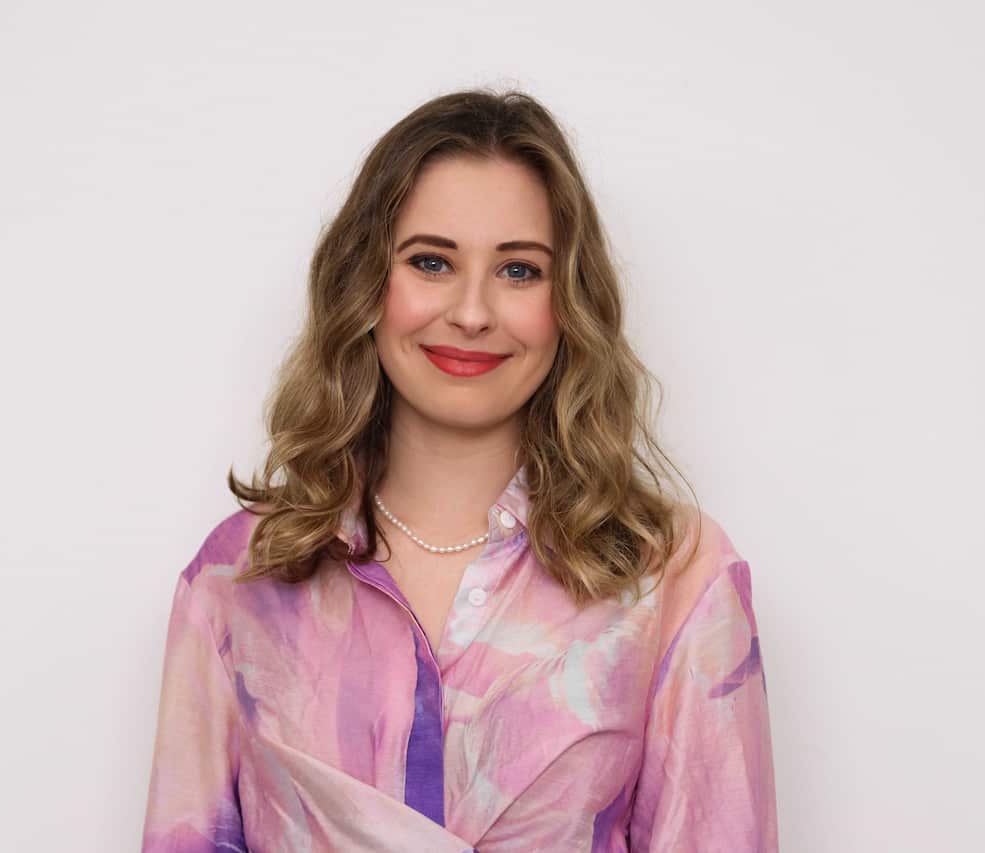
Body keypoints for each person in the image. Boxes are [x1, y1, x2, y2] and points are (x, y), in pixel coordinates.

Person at [140, 88, 779, 852]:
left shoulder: (674, 576)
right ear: (366, 283)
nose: (472, 312)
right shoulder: (238, 579)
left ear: (569, 300)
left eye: (518, 270)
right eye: (432, 261)